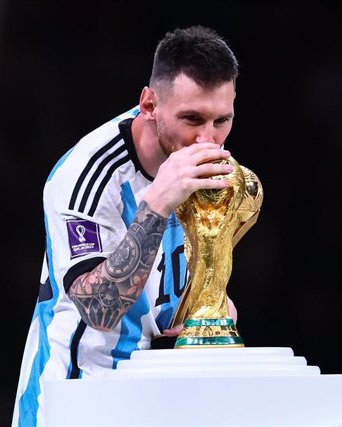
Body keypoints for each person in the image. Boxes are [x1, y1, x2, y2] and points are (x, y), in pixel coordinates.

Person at [12, 25, 240, 427]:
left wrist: (208, 306)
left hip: (154, 397)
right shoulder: (87, 175)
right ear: (149, 105)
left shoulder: (206, 160)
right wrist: (157, 204)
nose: (208, 138)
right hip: (77, 396)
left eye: (222, 120)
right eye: (192, 119)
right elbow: (98, 310)